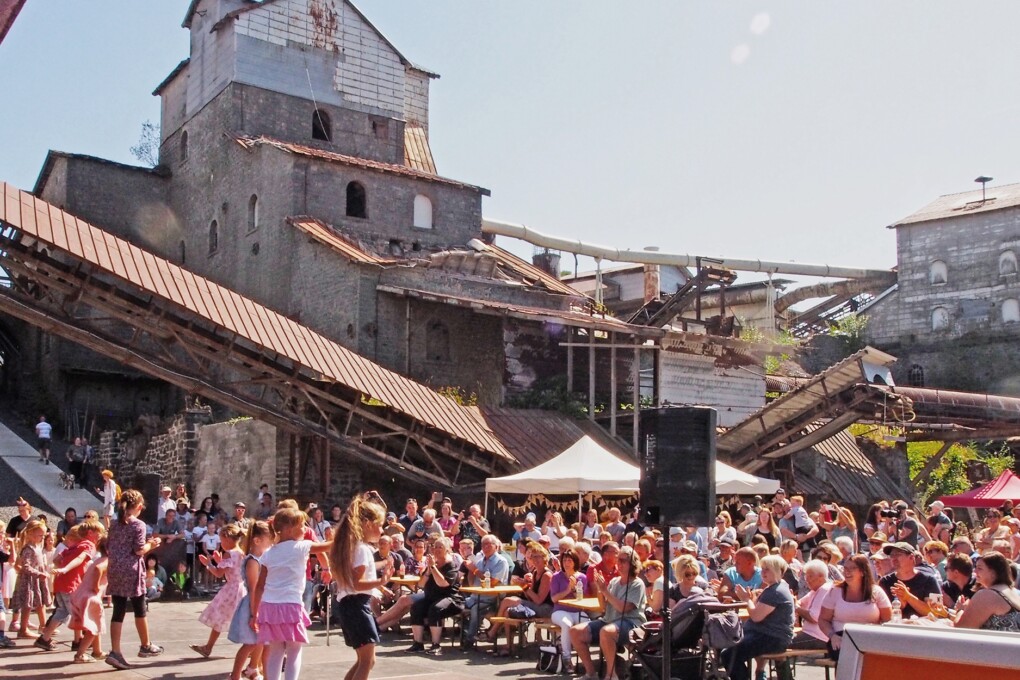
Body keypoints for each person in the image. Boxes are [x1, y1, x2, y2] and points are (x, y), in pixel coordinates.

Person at [249, 506, 332, 680]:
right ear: (288, 529)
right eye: (302, 525)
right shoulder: (302, 547)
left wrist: (254, 613)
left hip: (269, 607)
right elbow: (327, 546)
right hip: (291, 606)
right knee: (294, 650)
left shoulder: (268, 554)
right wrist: (347, 530)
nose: (305, 529)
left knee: (276, 650)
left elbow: (260, 586)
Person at [329, 496, 388, 680]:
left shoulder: (354, 547)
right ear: (368, 524)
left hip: (351, 606)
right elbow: (356, 584)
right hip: (356, 607)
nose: (382, 530)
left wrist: (377, 587)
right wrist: (380, 582)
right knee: (366, 661)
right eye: (379, 525)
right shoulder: (361, 549)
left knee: (366, 660)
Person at [104, 489, 164, 670]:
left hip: (115, 569)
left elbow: (109, 545)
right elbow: (139, 550)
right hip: (131, 570)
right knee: (140, 607)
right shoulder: (138, 525)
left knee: (118, 610)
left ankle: (115, 651)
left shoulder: (114, 524)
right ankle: (145, 645)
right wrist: (151, 544)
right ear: (138, 507)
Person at [569, 546, 646, 680]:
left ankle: (611, 675)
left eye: (623, 560)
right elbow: (603, 607)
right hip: (609, 620)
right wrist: (600, 589)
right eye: (618, 560)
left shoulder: (637, 584)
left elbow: (624, 608)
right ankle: (591, 673)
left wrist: (605, 591)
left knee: (607, 631)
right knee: (575, 631)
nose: (619, 564)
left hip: (630, 623)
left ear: (633, 563)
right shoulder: (615, 582)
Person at [35, 519, 104, 652]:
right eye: (99, 533)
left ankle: (44, 638)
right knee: (78, 614)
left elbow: (57, 559)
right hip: (71, 584)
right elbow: (80, 558)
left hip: (60, 583)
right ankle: (80, 643)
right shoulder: (89, 545)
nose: (101, 536)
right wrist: (66, 569)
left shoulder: (75, 545)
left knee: (62, 611)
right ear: (90, 533)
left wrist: (61, 568)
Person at [722, 555, 796, 680]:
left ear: (778, 571)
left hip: (772, 637)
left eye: (767, 569)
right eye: (762, 569)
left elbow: (756, 616)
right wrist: (751, 599)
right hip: (766, 635)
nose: (763, 572)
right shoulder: (774, 588)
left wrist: (746, 600)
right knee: (730, 650)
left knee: (729, 655)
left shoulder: (776, 591)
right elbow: (758, 610)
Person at [818, 554, 892, 660]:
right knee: (846, 656)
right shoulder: (835, 591)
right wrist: (832, 636)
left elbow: (887, 620)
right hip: (841, 637)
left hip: (870, 637)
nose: (847, 571)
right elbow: (823, 620)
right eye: (845, 568)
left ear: (862, 572)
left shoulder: (876, 592)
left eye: (852, 568)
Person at [191, 523, 246, 658]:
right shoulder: (242, 553)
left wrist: (208, 564)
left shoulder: (229, 554)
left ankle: (209, 647)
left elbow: (219, 573)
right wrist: (219, 561)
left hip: (231, 590)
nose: (221, 544)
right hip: (242, 588)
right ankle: (251, 646)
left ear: (227, 539)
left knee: (219, 618)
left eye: (221, 540)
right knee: (242, 619)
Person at [488, 544, 554, 654]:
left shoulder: (547, 575)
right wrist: (523, 585)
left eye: (538, 556)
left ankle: (493, 631)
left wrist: (524, 587)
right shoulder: (535, 572)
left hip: (546, 609)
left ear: (544, 557)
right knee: (507, 612)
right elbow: (529, 597)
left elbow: (539, 600)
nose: (535, 559)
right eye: (533, 557)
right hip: (535, 605)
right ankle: (509, 646)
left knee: (507, 600)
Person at [227, 521, 273, 680]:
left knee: (261, 643)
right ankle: (235, 675)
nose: (271, 543)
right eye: (269, 540)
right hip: (254, 606)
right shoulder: (253, 561)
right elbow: (254, 589)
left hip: (261, 604)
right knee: (250, 644)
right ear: (257, 540)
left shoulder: (261, 559)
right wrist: (254, 614)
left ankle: (253, 671)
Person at [404, 537, 463, 656]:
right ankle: (418, 643)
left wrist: (433, 568)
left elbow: (443, 584)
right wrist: (427, 572)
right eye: (435, 547)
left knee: (435, 609)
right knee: (416, 607)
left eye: (440, 547)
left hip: (450, 599)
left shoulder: (451, 565)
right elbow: (420, 585)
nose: (436, 549)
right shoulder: (432, 565)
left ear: (447, 550)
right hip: (431, 597)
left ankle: (436, 645)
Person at [461, 533, 510, 646]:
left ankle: (469, 640)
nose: (486, 547)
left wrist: (475, 570)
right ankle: (461, 634)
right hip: (475, 596)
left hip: (492, 599)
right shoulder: (480, 560)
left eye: (489, 544)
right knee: (457, 605)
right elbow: (472, 580)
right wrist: (470, 570)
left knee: (475, 609)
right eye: (483, 545)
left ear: (496, 546)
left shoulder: (501, 562)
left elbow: (492, 582)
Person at [68, 535, 109, 664]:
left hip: (80, 594)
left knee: (94, 625)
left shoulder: (97, 559)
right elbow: (98, 570)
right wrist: (97, 587)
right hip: (91, 597)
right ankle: (79, 655)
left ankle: (97, 651)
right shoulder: (107, 560)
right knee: (93, 628)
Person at [953, 552, 1020, 631]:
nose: (975, 571)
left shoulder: (987, 595)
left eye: (980, 568)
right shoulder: (1011, 591)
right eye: (975, 567)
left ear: (993, 572)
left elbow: (962, 629)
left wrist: (960, 610)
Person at [878, 542, 940, 618]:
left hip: (922, 628)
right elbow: (883, 614)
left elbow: (937, 612)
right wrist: (901, 605)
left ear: (911, 557)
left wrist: (908, 597)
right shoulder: (885, 581)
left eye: (898, 554)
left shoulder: (930, 580)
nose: (893, 558)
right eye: (891, 555)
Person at [550, 548, 589, 669]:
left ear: (575, 562)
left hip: (577, 610)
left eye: (570, 560)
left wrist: (575, 589)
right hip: (560, 611)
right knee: (567, 623)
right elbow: (554, 599)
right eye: (565, 560)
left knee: (588, 625)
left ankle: (586, 660)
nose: (567, 563)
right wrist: (567, 589)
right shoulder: (556, 577)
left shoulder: (582, 577)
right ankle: (567, 657)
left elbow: (581, 597)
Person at [13, 520, 51, 638]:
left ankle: (44, 626)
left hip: (37, 581)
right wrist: (38, 573)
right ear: (30, 534)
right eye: (40, 535)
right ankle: (23, 629)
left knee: (40, 603)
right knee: (27, 605)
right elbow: (25, 566)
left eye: (43, 535)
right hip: (29, 581)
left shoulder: (38, 547)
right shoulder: (28, 549)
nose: (42, 538)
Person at [790, 559, 832, 651]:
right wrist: (795, 603)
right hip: (810, 633)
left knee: (779, 642)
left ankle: (783, 666)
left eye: (810, 576)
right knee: (778, 639)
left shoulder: (825, 590)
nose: (807, 580)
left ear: (821, 576)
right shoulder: (816, 590)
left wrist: (796, 607)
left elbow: (813, 617)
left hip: (818, 637)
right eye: (806, 576)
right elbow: (799, 602)